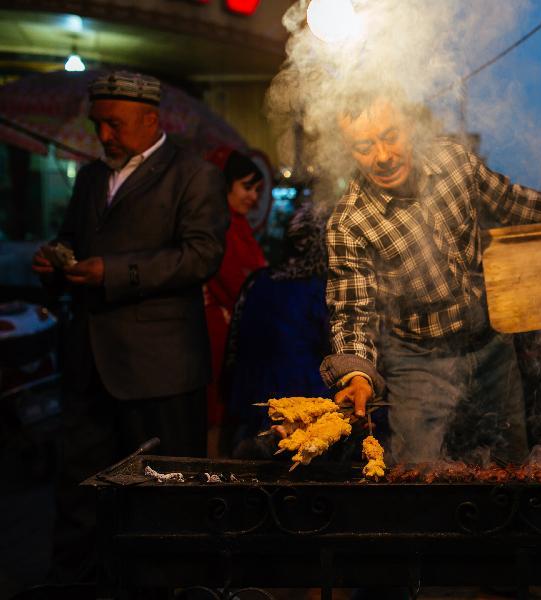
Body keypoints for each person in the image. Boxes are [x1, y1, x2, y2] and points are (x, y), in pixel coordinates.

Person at [320, 90, 541, 464]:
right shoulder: (348, 224)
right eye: (364, 147)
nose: (382, 156)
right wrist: (357, 376)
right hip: (418, 362)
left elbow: (511, 202)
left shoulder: (454, 161)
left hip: (490, 346)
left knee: (510, 467)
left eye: (390, 136)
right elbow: (353, 314)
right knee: (419, 473)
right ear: (348, 151)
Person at [31, 71, 228, 581]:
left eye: (114, 124)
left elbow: (201, 256)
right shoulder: (92, 177)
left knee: (166, 496)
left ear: (149, 119)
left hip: (160, 369)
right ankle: (77, 584)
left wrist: (113, 272)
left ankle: (170, 587)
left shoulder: (194, 176)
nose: (103, 135)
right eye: (97, 124)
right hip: (89, 363)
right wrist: (55, 262)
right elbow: (73, 239)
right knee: (80, 494)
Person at [224, 202, 332, 458]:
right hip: (301, 415)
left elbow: (232, 350)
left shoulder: (257, 279)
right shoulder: (323, 289)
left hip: (250, 408)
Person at [204, 150, 267, 456]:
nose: (253, 197)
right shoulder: (218, 225)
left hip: (235, 329)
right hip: (217, 331)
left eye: (257, 190)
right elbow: (234, 283)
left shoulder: (239, 225)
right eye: (247, 187)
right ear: (225, 184)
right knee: (215, 412)